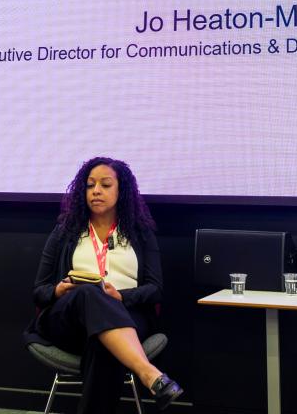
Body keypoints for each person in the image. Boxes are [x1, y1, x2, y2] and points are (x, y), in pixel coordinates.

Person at [24, 157, 183, 412]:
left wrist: (121, 297)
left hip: (126, 314)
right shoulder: (65, 231)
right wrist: (58, 290)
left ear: (121, 191)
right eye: (90, 185)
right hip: (70, 320)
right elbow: (39, 291)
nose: (96, 191)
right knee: (88, 292)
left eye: (105, 185)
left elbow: (155, 289)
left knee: (103, 343)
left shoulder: (140, 233)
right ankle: (148, 373)